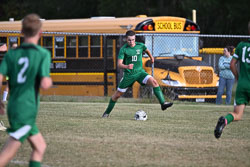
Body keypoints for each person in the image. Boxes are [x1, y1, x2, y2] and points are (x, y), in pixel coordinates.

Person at [0, 13, 52, 167]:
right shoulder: (42, 54)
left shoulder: (12, 54)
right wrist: (47, 80)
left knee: (40, 147)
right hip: (26, 108)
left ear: (22, 32)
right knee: (7, 154)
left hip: (15, 106)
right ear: (41, 33)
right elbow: (45, 83)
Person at [102, 30, 173, 118]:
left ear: (135, 38)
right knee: (117, 95)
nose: (131, 42)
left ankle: (163, 103)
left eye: (132, 40)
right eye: (129, 40)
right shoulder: (124, 49)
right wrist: (127, 66)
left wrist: (151, 58)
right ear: (126, 39)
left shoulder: (140, 46)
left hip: (140, 73)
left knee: (154, 82)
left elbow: (146, 50)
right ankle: (106, 113)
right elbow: (119, 64)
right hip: (129, 76)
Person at [214, 21, 250, 139]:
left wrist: (239, 78)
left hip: (242, 84)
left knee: (237, 114)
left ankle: (224, 121)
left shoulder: (241, 46)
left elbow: (232, 65)